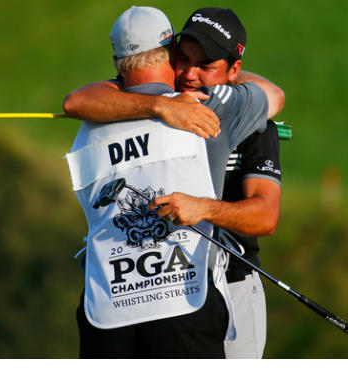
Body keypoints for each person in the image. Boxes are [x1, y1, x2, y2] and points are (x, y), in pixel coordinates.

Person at [63, 7, 283, 358]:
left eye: (205, 65)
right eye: (182, 59)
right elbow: (76, 100)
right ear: (168, 54)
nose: (190, 74)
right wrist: (162, 107)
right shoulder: (133, 103)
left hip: (228, 279)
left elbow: (75, 101)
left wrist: (201, 208)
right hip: (178, 301)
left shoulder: (97, 116)